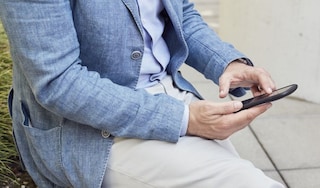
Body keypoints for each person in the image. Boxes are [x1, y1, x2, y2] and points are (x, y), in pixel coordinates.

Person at [0, 0, 284, 187]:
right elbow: (58, 82)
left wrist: (226, 63)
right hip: (87, 131)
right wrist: (185, 119)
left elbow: (180, 14)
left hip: (173, 98)